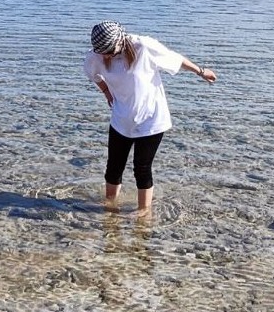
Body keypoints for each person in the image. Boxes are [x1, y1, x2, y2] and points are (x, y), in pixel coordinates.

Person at [84, 21, 216, 213]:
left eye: (109, 52)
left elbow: (175, 59)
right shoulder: (95, 56)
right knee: (113, 167)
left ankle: (143, 215)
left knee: (142, 168)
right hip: (121, 119)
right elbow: (92, 75)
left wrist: (201, 72)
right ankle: (110, 210)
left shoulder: (143, 46)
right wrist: (106, 92)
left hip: (151, 120)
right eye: (102, 52)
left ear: (120, 42)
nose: (105, 56)